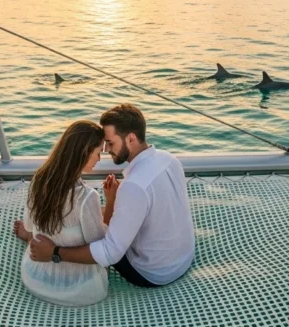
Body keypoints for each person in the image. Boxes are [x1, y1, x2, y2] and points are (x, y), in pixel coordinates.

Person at [30, 104, 195, 288]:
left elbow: (109, 252)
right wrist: (114, 202)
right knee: (94, 216)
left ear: (131, 139)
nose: (107, 150)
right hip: (183, 258)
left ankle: (43, 238)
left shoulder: (133, 186)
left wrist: (54, 252)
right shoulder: (169, 159)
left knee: (90, 236)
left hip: (152, 272)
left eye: (110, 143)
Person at [12, 120, 115, 306]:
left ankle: (30, 238)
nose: (99, 159)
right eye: (98, 152)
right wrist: (110, 202)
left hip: (35, 279)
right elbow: (100, 250)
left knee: (38, 230)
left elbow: (29, 224)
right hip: (81, 291)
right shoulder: (86, 196)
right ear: (84, 153)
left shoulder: (38, 180)